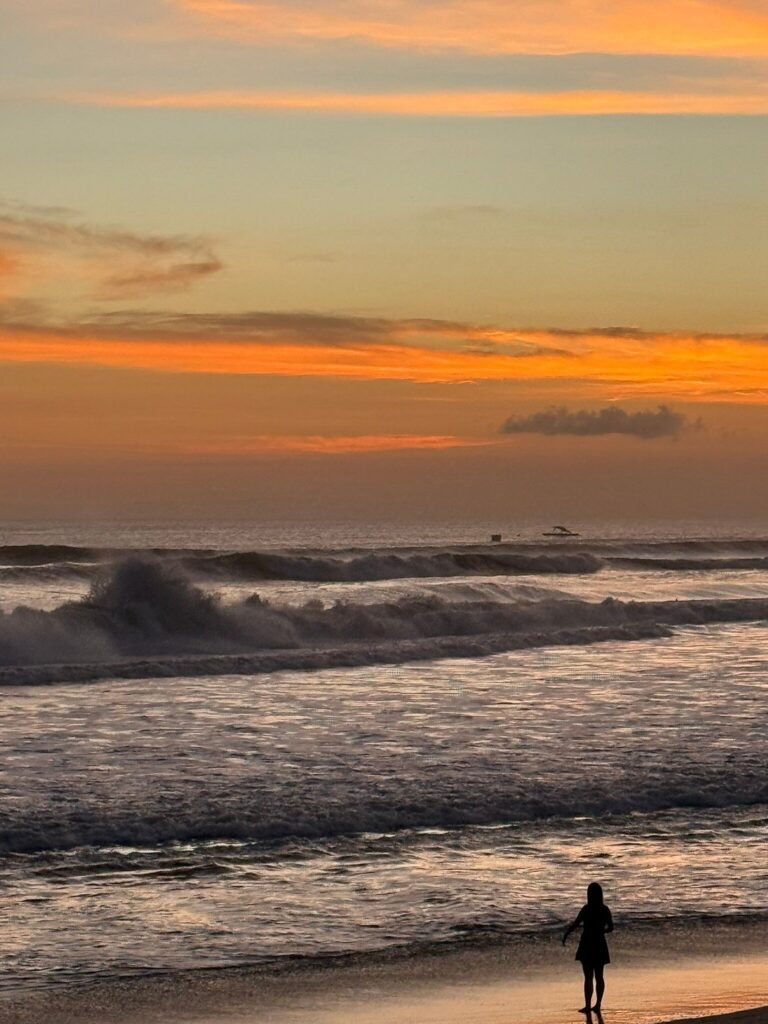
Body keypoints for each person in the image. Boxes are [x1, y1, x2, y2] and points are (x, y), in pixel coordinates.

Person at [562, 882, 614, 1015]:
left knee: (588, 977)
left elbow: (576, 923)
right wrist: (603, 931)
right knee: (599, 976)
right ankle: (597, 1005)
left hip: (587, 943)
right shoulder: (605, 909)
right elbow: (611, 927)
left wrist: (566, 935)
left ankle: (588, 1005)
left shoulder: (586, 909)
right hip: (600, 943)